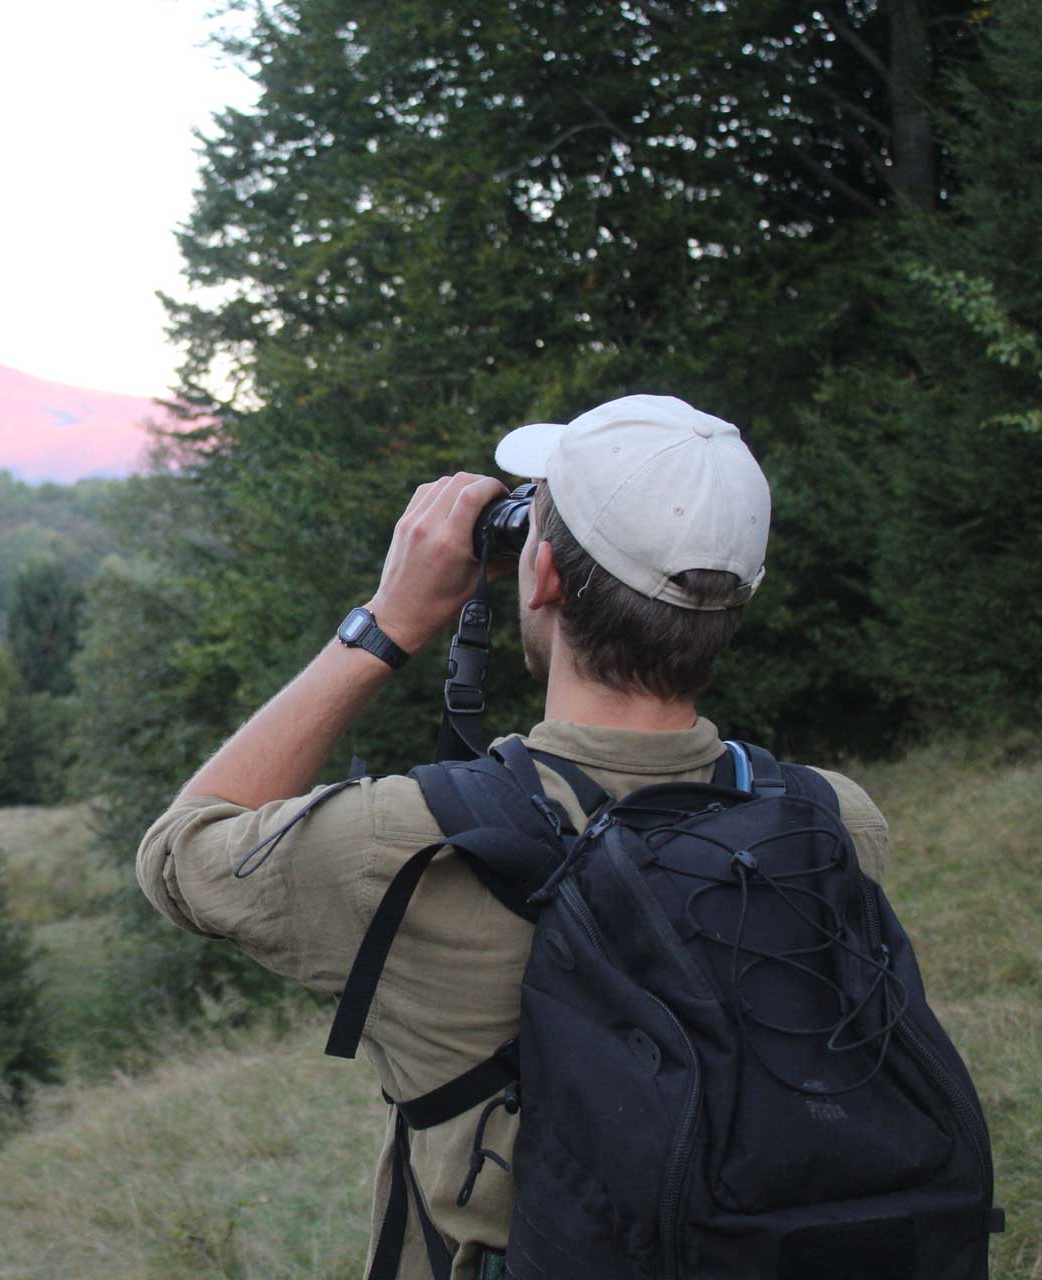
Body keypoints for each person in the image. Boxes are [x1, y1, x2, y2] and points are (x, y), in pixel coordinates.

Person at [135, 394, 890, 1280]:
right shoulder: (835, 824)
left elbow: (180, 850)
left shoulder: (412, 847)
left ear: (541, 577)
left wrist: (388, 620)